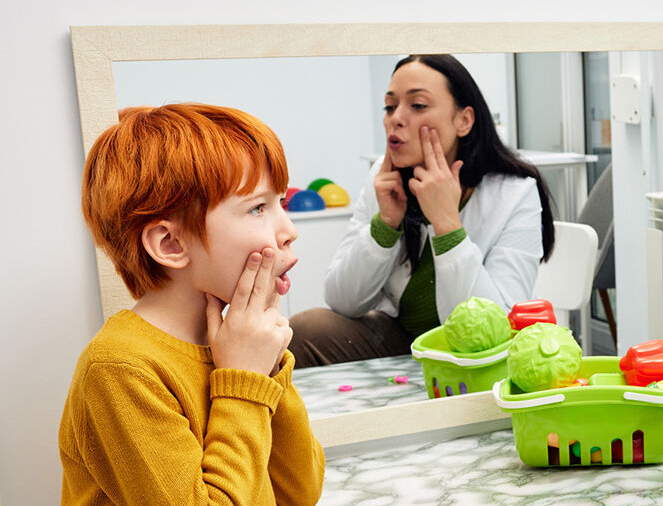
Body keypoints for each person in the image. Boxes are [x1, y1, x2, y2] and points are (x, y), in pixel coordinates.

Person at [61, 103, 325, 504]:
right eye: (257, 207)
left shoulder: (234, 344)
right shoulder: (119, 369)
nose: (289, 231)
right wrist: (244, 384)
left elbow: (298, 495)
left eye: (281, 204)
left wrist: (268, 370)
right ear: (170, 244)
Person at [288, 54, 556, 368]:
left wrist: (447, 226)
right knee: (305, 329)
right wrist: (386, 224)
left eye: (417, 106)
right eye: (390, 107)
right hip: (403, 340)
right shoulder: (384, 177)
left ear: (464, 121)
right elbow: (342, 300)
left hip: (477, 359)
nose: (396, 119)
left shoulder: (515, 193)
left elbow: (495, 331)